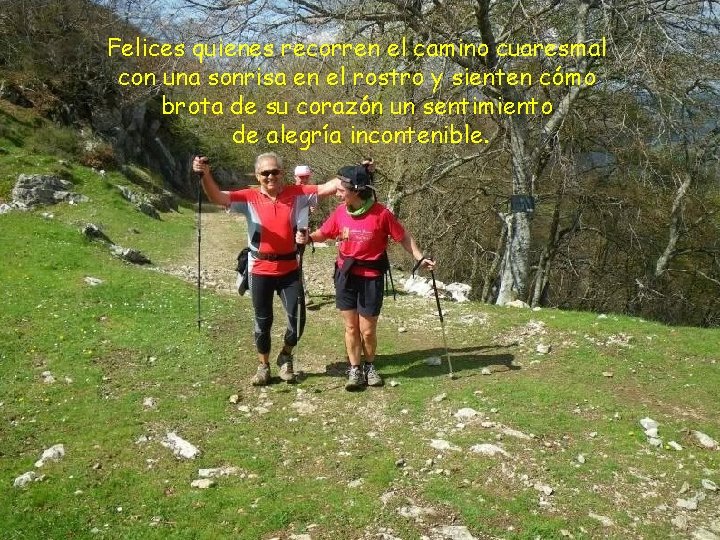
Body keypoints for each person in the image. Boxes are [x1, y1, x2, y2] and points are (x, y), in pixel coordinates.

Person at [193, 153, 340, 386]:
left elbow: (328, 187)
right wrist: (206, 175)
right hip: (260, 269)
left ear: (282, 172)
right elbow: (218, 197)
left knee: (298, 320)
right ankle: (263, 365)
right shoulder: (248, 196)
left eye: (275, 171)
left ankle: (285, 356)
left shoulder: (296, 193)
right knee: (263, 322)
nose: (270, 176)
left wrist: (356, 175)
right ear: (258, 176)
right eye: (265, 173)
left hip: (290, 268)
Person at [297, 165, 435, 391]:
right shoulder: (341, 212)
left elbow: (404, 237)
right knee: (351, 328)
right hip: (345, 275)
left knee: (367, 330)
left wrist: (420, 259)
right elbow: (325, 232)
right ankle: (355, 369)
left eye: (341, 190)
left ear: (356, 190)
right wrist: (307, 239)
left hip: (371, 278)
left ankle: (370, 365)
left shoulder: (381, 214)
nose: (337, 193)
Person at [293, 165, 316, 306]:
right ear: (295, 177)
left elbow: (312, 208)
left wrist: (311, 208)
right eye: (301, 177)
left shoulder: (312, 192)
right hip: (287, 229)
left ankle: (303, 293)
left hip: (302, 230)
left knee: (298, 260)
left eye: (306, 176)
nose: (304, 179)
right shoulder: (288, 191)